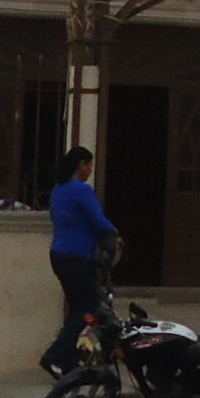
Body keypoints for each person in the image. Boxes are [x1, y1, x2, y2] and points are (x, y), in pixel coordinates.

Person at [43, 146, 120, 377]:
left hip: (59, 255)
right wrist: (113, 234)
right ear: (81, 165)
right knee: (89, 309)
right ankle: (54, 356)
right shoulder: (82, 190)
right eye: (89, 165)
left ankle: (69, 361)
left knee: (77, 308)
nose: (90, 170)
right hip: (78, 257)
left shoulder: (58, 189)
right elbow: (98, 221)